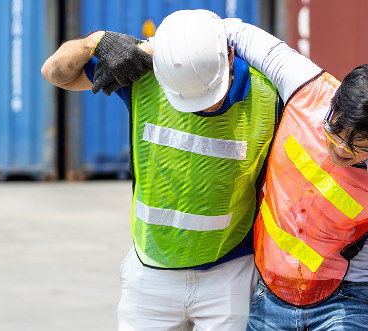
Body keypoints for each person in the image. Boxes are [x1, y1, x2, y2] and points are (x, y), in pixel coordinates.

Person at [94, 17, 368, 331]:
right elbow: (231, 30)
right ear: (333, 105)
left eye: (358, 146)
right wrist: (149, 47)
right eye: (334, 132)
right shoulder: (306, 88)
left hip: (347, 292)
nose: (339, 149)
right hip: (269, 288)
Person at [41, 10, 282, 330]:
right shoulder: (144, 74)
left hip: (230, 275)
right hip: (150, 272)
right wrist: (94, 42)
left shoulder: (269, 94)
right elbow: (55, 73)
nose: (200, 105)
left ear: (230, 53)